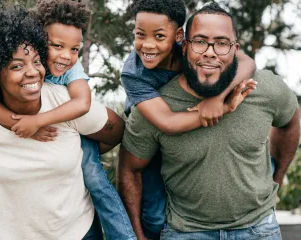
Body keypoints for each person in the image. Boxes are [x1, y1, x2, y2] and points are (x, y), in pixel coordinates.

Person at [0, 1, 136, 240]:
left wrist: (42, 125)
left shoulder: (65, 90)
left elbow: (102, 120)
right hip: (5, 234)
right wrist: (17, 127)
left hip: (75, 231)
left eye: (36, 62)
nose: (32, 71)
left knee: (94, 176)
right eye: (17, 65)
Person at [119, 3, 299, 240]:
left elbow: (291, 120)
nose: (211, 52)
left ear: (235, 48)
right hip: (185, 231)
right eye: (200, 41)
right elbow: (130, 170)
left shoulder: (264, 87)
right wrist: (137, 235)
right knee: (152, 210)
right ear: (184, 46)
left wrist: (276, 179)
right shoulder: (152, 104)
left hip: (259, 229)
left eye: (222, 43)